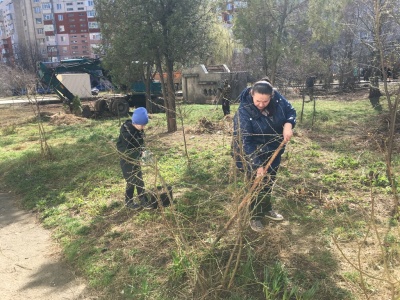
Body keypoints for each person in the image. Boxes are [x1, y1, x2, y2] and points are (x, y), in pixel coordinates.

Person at [232, 80, 296, 232]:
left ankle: (266, 209)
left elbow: (290, 112)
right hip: (250, 152)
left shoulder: (278, 99)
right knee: (256, 183)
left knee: (269, 180)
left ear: (271, 96)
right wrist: (256, 165)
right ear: (251, 94)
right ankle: (255, 217)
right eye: (258, 101)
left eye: (265, 101)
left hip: (273, 149)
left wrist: (288, 124)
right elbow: (244, 141)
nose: (261, 104)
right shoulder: (243, 111)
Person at [116, 107, 153, 210]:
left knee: (139, 179)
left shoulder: (139, 130)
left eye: (144, 125)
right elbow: (130, 149)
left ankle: (143, 199)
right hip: (126, 160)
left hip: (135, 159)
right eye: (142, 125)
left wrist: (145, 153)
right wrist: (139, 153)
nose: (143, 127)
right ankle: (129, 201)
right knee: (131, 181)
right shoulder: (126, 132)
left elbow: (141, 143)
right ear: (135, 122)